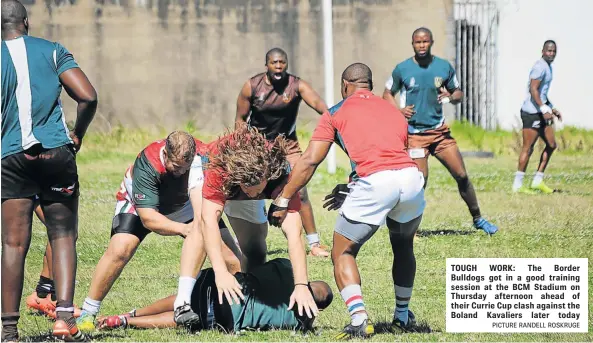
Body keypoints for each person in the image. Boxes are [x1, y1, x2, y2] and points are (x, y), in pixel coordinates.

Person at [268, 63, 425, 339]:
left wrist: (283, 198)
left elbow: (309, 161)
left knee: (343, 252)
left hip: (377, 182)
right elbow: (389, 154)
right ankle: (402, 316)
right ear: (371, 86)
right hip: (411, 179)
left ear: (344, 85)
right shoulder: (393, 111)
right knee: (403, 247)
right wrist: (354, 184)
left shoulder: (336, 112)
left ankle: (359, 318)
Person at [75, 131, 242, 331]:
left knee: (232, 259)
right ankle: (88, 312)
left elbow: (201, 213)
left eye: (185, 168)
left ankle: (235, 310)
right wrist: (185, 229)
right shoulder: (147, 163)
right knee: (120, 250)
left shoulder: (200, 158)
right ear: (165, 154)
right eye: (176, 167)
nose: (181, 172)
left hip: (183, 205)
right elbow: (148, 219)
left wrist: (199, 228)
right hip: (139, 206)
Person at [1, 0, 98, 340]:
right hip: (56, 154)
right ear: (26, 22)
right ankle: (64, 319)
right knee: (63, 234)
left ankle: (9, 330)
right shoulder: (52, 50)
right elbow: (88, 96)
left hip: (10, 158)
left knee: (13, 244)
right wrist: (77, 134)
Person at [173, 125, 319, 327]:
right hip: (214, 169)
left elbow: (295, 233)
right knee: (200, 223)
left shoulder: (283, 174)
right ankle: (183, 302)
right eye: (246, 188)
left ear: (267, 177)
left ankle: (249, 291)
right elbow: (209, 221)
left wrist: (301, 284)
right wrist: (221, 272)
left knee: (256, 248)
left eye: (256, 190)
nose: (251, 194)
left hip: (250, 176)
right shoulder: (218, 168)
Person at [382, 27, 498, 235]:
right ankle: (409, 229)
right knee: (418, 184)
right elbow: (387, 92)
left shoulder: (443, 67)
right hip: (415, 136)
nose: (422, 45)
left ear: (431, 42)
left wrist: (451, 96)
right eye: (418, 42)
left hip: (440, 133)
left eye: (425, 41)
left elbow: (458, 93)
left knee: (461, 175)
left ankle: (478, 219)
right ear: (413, 44)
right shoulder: (403, 69)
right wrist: (398, 111)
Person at [235, 47, 330, 257]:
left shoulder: (297, 85)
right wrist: (242, 147)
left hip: (288, 145)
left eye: (282, 63)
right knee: (248, 189)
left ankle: (314, 244)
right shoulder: (252, 86)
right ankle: (242, 238)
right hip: (257, 145)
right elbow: (240, 120)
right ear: (266, 64)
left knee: (300, 188)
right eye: (274, 63)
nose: (278, 67)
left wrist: (335, 118)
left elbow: (320, 106)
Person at [97, 258, 333, 333]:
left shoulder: (286, 268)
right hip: (223, 318)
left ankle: (134, 312)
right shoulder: (301, 322)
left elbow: (256, 266)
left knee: (186, 300)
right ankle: (127, 321)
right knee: (188, 317)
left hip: (221, 286)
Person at [512, 40, 561, 194]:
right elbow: (533, 90)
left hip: (542, 111)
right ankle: (517, 185)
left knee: (551, 144)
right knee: (528, 148)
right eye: (549, 51)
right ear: (542, 51)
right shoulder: (539, 67)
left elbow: (543, 93)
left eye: (553, 51)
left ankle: (537, 181)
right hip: (531, 112)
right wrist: (543, 107)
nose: (551, 54)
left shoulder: (549, 67)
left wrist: (552, 108)